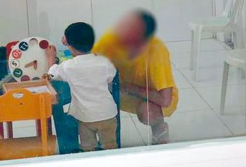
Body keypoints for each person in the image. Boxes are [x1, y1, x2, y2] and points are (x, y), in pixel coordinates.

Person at [94, 10, 179, 145]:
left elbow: (165, 99)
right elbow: (89, 58)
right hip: (119, 90)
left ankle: (159, 129)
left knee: (148, 113)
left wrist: (130, 88)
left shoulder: (157, 52)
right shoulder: (110, 40)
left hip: (151, 97)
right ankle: (104, 136)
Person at [45, 22, 118, 152]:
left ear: (70, 46)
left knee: (87, 147)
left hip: (85, 117)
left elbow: (52, 73)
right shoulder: (104, 62)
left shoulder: (69, 66)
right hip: (107, 114)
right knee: (110, 145)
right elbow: (110, 77)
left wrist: (51, 57)